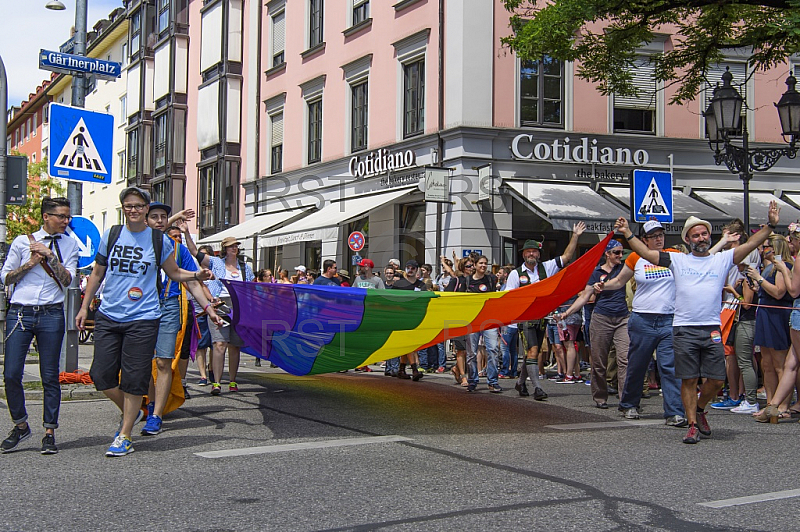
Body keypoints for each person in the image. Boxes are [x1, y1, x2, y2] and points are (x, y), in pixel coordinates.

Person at [616, 203, 780, 444]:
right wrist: (628, 234)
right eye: (696, 235)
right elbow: (647, 254)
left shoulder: (722, 259)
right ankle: (692, 423)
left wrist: (772, 226)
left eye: (704, 234)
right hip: (683, 328)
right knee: (689, 379)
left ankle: (701, 408)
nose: (701, 238)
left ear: (708, 237)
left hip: (711, 328)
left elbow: (751, 245)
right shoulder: (678, 260)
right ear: (688, 239)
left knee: (716, 380)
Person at [77, 187, 222, 457]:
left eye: (138, 205)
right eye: (128, 205)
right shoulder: (112, 235)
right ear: (124, 208)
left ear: (145, 209)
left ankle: (125, 433)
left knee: (135, 377)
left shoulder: (159, 240)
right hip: (109, 314)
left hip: (144, 317)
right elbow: (97, 274)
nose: (133, 210)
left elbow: (175, 272)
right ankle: (135, 411)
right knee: (101, 375)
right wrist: (84, 307)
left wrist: (197, 275)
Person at [0, 197, 79, 454]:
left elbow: (68, 280)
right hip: (20, 313)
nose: (66, 221)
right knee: (11, 373)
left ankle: (49, 431)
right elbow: (6, 277)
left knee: (49, 376)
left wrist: (50, 256)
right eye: (61, 216)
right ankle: (21, 425)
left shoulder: (69, 244)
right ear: (46, 216)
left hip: (51, 314)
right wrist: (31, 263)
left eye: (68, 217)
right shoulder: (23, 241)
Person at [591, 220, 686, 425]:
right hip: (642, 319)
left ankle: (674, 412)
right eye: (654, 236)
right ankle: (629, 404)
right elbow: (618, 281)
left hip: (669, 319)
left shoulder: (675, 256)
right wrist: (602, 286)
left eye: (661, 235)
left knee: (669, 367)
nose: (659, 239)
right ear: (644, 240)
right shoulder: (636, 257)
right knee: (637, 365)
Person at [506, 222, 585, 399]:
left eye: (534, 251)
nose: (531, 254)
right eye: (528, 252)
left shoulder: (547, 267)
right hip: (525, 318)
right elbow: (508, 298)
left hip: (542, 318)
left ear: (538, 254)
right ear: (523, 254)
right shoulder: (515, 274)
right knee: (534, 351)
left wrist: (575, 236)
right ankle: (537, 388)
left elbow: (566, 257)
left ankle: (520, 383)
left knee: (532, 353)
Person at [183, 233, 255, 395]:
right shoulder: (215, 262)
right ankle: (216, 382)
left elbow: (251, 288)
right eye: (231, 246)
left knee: (235, 345)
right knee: (219, 344)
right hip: (219, 305)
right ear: (225, 248)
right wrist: (186, 233)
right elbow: (195, 251)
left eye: (236, 245)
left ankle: (233, 380)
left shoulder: (245, 267)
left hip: (238, 307)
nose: (234, 248)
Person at [563, 239, 630, 408]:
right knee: (599, 361)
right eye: (616, 252)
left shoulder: (624, 269)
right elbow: (585, 297)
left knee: (625, 359)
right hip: (601, 317)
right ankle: (600, 397)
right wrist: (566, 313)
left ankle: (626, 400)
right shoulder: (595, 273)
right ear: (607, 254)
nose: (620, 256)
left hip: (623, 318)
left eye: (622, 252)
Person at [391, 260, 427, 380]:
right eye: (408, 268)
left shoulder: (421, 286)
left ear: (417, 270)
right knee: (407, 343)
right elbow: (391, 300)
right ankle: (414, 369)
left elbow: (425, 301)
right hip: (400, 318)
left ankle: (401, 369)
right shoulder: (398, 284)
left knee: (406, 344)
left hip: (415, 318)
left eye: (412, 268)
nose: (410, 270)